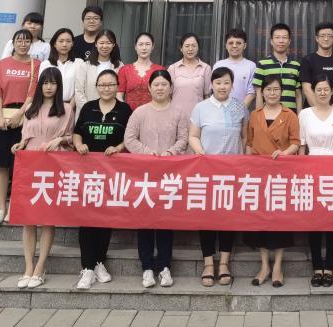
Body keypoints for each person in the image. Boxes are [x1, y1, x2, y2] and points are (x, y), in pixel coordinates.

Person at [10, 66, 75, 289]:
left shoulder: (66, 109)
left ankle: (40, 266)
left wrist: (61, 140)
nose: (49, 87)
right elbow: (25, 136)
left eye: (53, 83)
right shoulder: (31, 108)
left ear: (59, 86)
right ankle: (28, 266)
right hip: (30, 164)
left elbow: (70, 136)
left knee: (47, 218)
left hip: (52, 165)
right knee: (28, 218)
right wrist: (19, 145)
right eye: (45, 83)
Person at [124, 69, 189, 288]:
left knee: (165, 221)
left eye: (164, 84)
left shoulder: (179, 112)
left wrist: (170, 152)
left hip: (170, 176)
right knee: (144, 221)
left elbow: (183, 138)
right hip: (144, 176)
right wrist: (147, 153)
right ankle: (146, 267)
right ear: (149, 88)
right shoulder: (140, 112)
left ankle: (164, 266)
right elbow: (129, 139)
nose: (160, 88)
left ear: (171, 88)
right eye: (156, 85)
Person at [188, 66, 248, 288]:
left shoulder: (240, 107)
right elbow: (193, 136)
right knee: (207, 217)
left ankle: (224, 263)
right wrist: (202, 154)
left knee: (227, 217)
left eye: (226, 83)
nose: (222, 86)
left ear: (232, 85)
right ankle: (208, 264)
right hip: (207, 172)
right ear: (211, 85)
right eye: (218, 82)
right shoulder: (201, 107)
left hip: (232, 173)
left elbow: (245, 137)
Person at [70, 68, 131, 288]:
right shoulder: (88, 107)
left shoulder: (125, 109)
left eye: (110, 84)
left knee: (106, 217)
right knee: (87, 218)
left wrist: (118, 147)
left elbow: (130, 137)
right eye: (102, 85)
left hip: (112, 172)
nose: (106, 88)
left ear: (117, 86)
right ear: (97, 87)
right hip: (88, 172)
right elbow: (77, 132)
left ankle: (99, 263)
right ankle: (87, 268)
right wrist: (79, 145)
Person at [245, 75, 300, 287]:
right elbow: (249, 143)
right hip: (258, 174)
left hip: (281, 174)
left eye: (276, 89)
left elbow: (296, 142)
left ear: (281, 91)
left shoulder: (290, 115)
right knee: (260, 219)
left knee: (279, 220)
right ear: (262, 92)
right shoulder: (255, 114)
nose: (272, 93)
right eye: (268, 89)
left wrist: (285, 153)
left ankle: (277, 265)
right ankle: (264, 266)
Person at [298, 75, 333, 287]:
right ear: (313, 91)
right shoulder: (304, 114)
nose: (322, 93)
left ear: (332, 91)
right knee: (315, 221)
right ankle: (317, 267)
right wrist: (301, 174)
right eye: (318, 89)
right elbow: (302, 146)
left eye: (326, 89)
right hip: (311, 171)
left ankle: (329, 267)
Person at [0, 28, 39, 226]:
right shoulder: (3, 64)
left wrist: (20, 114)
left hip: (25, 117)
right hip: (3, 118)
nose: (23, 44)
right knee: (2, 165)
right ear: (13, 43)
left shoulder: (36, 64)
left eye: (27, 41)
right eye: (19, 40)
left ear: (31, 44)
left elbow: (33, 94)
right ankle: (1, 208)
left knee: (20, 165)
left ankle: (14, 207)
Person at [253, 23, 302, 111]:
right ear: (271, 41)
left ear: (289, 41)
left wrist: (299, 116)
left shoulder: (296, 66)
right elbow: (258, 92)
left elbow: (298, 95)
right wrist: (259, 116)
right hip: (268, 115)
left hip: (291, 115)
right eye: (277, 37)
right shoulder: (262, 64)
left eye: (284, 37)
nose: (281, 41)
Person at [299, 22, 333, 110]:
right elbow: (307, 90)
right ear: (317, 38)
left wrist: (331, 111)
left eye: (329, 36)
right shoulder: (307, 60)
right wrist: (319, 111)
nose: (326, 39)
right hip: (312, 112)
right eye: (322, 35)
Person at [212, 27, 257, 110]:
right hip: (220, 111)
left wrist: (239, 111)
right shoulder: (218, 65)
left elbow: (251, 93)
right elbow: (214, 89)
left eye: (238, 43)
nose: (234, 46)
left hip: (243, 113)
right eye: (231, 43)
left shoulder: (251, 66)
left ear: (244, 45)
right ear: (226, 45)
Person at [74, 29, 120, 108]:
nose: (104, 46)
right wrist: (88, 109)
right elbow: (78, 91)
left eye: (108, 43)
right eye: (101, 43)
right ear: (96, 44)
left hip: (112, 111)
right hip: (87, 111)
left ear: (113, 45)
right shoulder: (85, 65)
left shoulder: (120, 66)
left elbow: (120, 92)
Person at [117, 31, 161, 110]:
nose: (144, 48)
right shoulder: (125, 70)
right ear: (135, 47)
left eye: (147, 44)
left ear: (152, 46)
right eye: (140, 44)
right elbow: (119, 96)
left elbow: (163, 96)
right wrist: (125, 111)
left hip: (153, 112)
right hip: (129, 113)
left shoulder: (159, 70)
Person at [46, 27, 81, 103]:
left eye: (68, 41)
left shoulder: (79, 63)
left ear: (72, 43)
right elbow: (42, 87)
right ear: (54, 44)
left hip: (72, 105)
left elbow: (80, 88)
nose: (64, 44)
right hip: (50, 104)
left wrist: (70, 106)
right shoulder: (46, 64)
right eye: (61, 41)